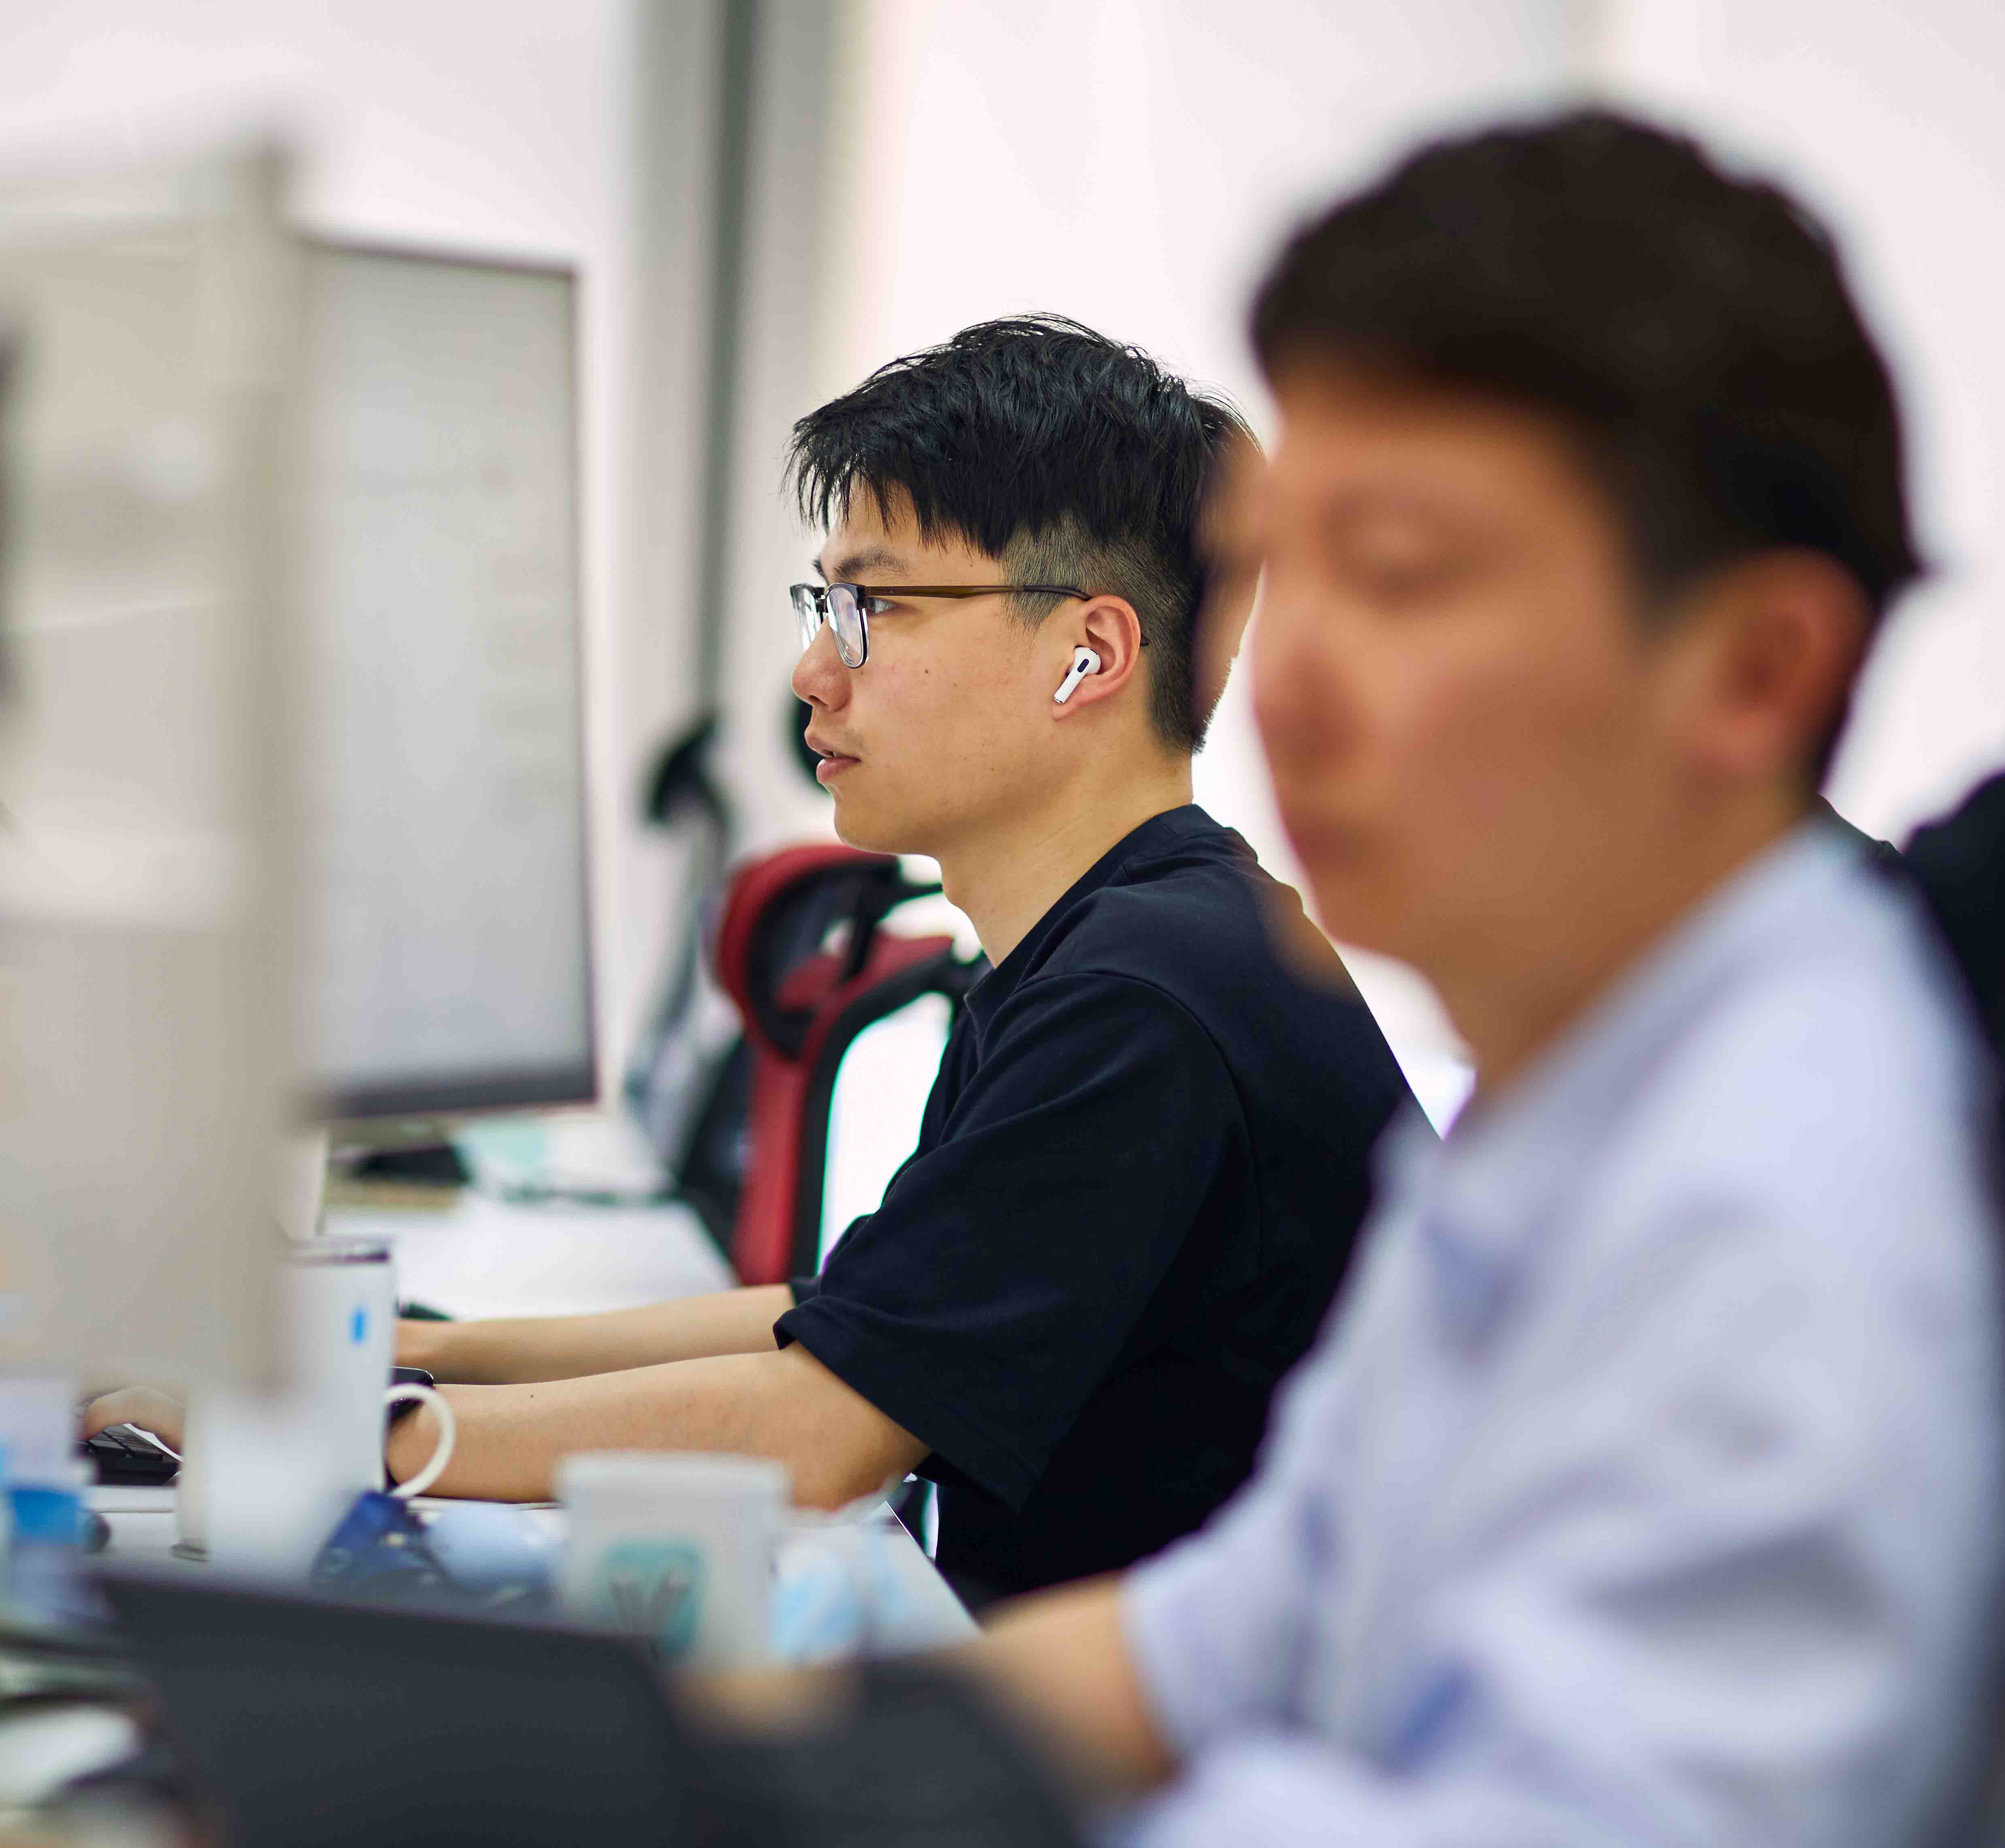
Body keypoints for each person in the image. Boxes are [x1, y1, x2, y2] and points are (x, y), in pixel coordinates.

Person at [943, 118, 2005, 1848]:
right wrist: (714, 1786)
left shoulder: (1796, 1203)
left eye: (1404, 574)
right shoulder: (1573, 1098)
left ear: (1752, 672)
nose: (1298, 674)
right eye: (1280, 574)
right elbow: (1225, 1638)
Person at [142, 315, 1392, 1606]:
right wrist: (399, 1354)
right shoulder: (1122, 937)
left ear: (1091, 654)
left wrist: (341, 1436)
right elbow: (844, 1315)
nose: (812, 673)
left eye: (879, 608)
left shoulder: (1146, 1000)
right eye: (827, 605)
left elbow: (822, 1430)